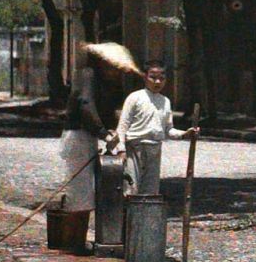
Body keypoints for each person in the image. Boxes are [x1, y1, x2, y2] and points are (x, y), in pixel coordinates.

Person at [113, 62, 193, 197]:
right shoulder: (135, 97)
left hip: (155, 149)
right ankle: (129, 218)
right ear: (145, 77)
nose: (157, 82)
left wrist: (185, 134)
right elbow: (122, 127)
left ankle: (145, 218)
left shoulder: (165, 101)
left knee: (150, 192)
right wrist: (121, 150)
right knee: (131, 189)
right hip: (135, 148)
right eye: (153, 77)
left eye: (161, 79)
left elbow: (168, 130)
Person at [57, 65, 106, 219]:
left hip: (85, 138)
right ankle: (73, 238)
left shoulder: (97, 77)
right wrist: (102, 131)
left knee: (83, 192)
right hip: (79, 138)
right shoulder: (88, 74)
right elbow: (86, 104)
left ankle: (78, 236)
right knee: (79, 192)